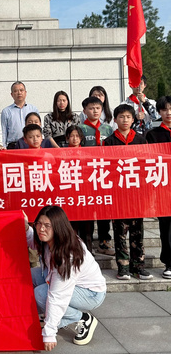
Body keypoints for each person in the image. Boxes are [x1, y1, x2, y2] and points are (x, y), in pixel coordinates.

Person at [24, 206, 106, 350]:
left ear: (58, 227)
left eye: (47, 225)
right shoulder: (49, 239)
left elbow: (57, 297)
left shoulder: (67, 255)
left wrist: (49, 333)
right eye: (39, 224)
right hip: (63, 280)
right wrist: (25, 227)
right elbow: (33, 241)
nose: (41, 229)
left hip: (91, 293)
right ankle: (51, 316)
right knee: (29, 276)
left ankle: (82, 319)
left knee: (42, 294)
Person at [103, 104, 152, 280]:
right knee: (120, 233)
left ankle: (138, 266)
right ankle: (123, 267)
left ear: (133, 119)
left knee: (137, 232)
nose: (125, 120)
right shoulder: (108, 141)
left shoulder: (140, 140)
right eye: (121, 117)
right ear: (115, 119)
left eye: (128, 117)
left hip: (136, 194)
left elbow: (146, 166)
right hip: (118, 195)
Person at [78, 96, 114, 256]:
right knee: (87, 211)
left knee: (104, 211)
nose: (94, 111)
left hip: (104, 175)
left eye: (97, 108)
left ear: (102, 110)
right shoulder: (80, 129)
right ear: (85, 111)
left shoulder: (108, 129)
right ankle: (86, 244)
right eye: (91, 108)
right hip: (87, 176)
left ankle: (104, 242)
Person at [146, 95, 171, 279]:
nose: (168, 113)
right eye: (164, 110)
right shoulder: (153, 135)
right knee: (166, 226)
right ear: (159, 112)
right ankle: (169, 263)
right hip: (164, 187)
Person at [1, 81, 39, 149]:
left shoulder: (33, 109)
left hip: (30, 145)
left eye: (21, 90)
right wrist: (3, 147)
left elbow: (38, 128)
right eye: (16, 91)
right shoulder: (6, 111)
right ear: (12, 94)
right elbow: (3, 132)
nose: (19, 93)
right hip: (13, 146)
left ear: (25, 92)